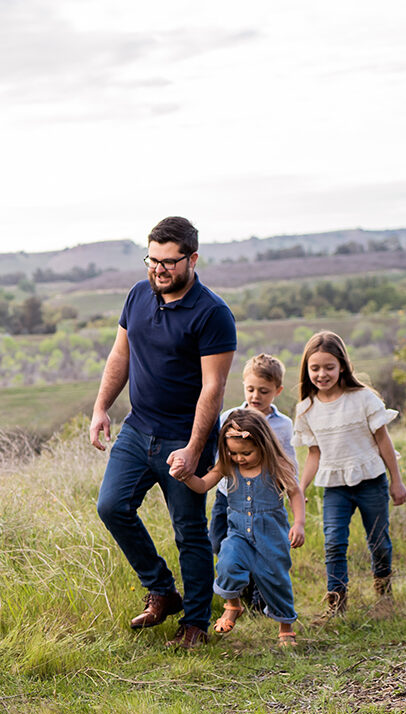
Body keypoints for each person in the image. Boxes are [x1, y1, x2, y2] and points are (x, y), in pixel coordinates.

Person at [90, 216, 237, 648]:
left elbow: (214, 388)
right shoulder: (138, 295)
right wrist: (101, 408)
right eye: (152, 259)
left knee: (189, 530)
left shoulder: (213, 314)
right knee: (112, 506)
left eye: (169, 262)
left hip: (183, 436)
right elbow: (121, 355)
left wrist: (195, 448)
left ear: (192, 259)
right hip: (138, 428)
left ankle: (195, 623)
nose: (158, 269)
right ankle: (162, 590)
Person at [292, 330, 406, 619]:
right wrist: (301, 488)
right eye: (315, 368)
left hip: (371, 481)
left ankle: (384, 592)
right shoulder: (306, 410)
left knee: (379, 541)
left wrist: (397, 480)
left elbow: (383, 441)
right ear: (306, 369)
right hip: (334, 487)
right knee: (333, 542)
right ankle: (337, 603)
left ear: (342, 365)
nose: (322, 374)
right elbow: (314, 455)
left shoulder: (362, 398)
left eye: (329, 367)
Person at [171, 409, 306, 646]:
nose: (239, 458)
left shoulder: (276, 467)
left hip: (272, 536)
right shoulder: (227, 467)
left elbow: (295, 493)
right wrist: (185, 476)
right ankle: (232, 605)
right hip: (238, 534)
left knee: (276, 579)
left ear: (263, 445)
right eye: (233, 453)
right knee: (227, 563)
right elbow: (202, 485)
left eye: (246, 453)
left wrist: (298, 524)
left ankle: (286, 628)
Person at [207, 353, 295, 634]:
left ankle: (262, 601)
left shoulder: (282, 424)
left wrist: (291, 497)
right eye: (251, 389)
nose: (256, 395)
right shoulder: (228, 418)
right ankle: (236, 597)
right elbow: (220, 457)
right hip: (228, 497)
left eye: (264, 391)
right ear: (244, 386)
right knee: (222, 547)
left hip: (264, 499)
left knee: (268, 558)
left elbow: (288, 463)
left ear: (277, 391)